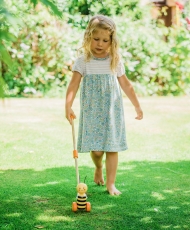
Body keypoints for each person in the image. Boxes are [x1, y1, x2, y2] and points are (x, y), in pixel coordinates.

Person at [65, 15, 143, 195]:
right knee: (98, 151)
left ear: (112, 41)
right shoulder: (83, 61)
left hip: (111, 111)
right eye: (96, 39)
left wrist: (137, 106)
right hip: (92, 111)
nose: (100, 44)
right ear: (88, 38)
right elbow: (73, 85)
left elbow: (126, 84)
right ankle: (98, 167)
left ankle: (111, 183)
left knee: (112, 147)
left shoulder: (114, 60)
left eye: (105, 40)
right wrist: (68, 106)